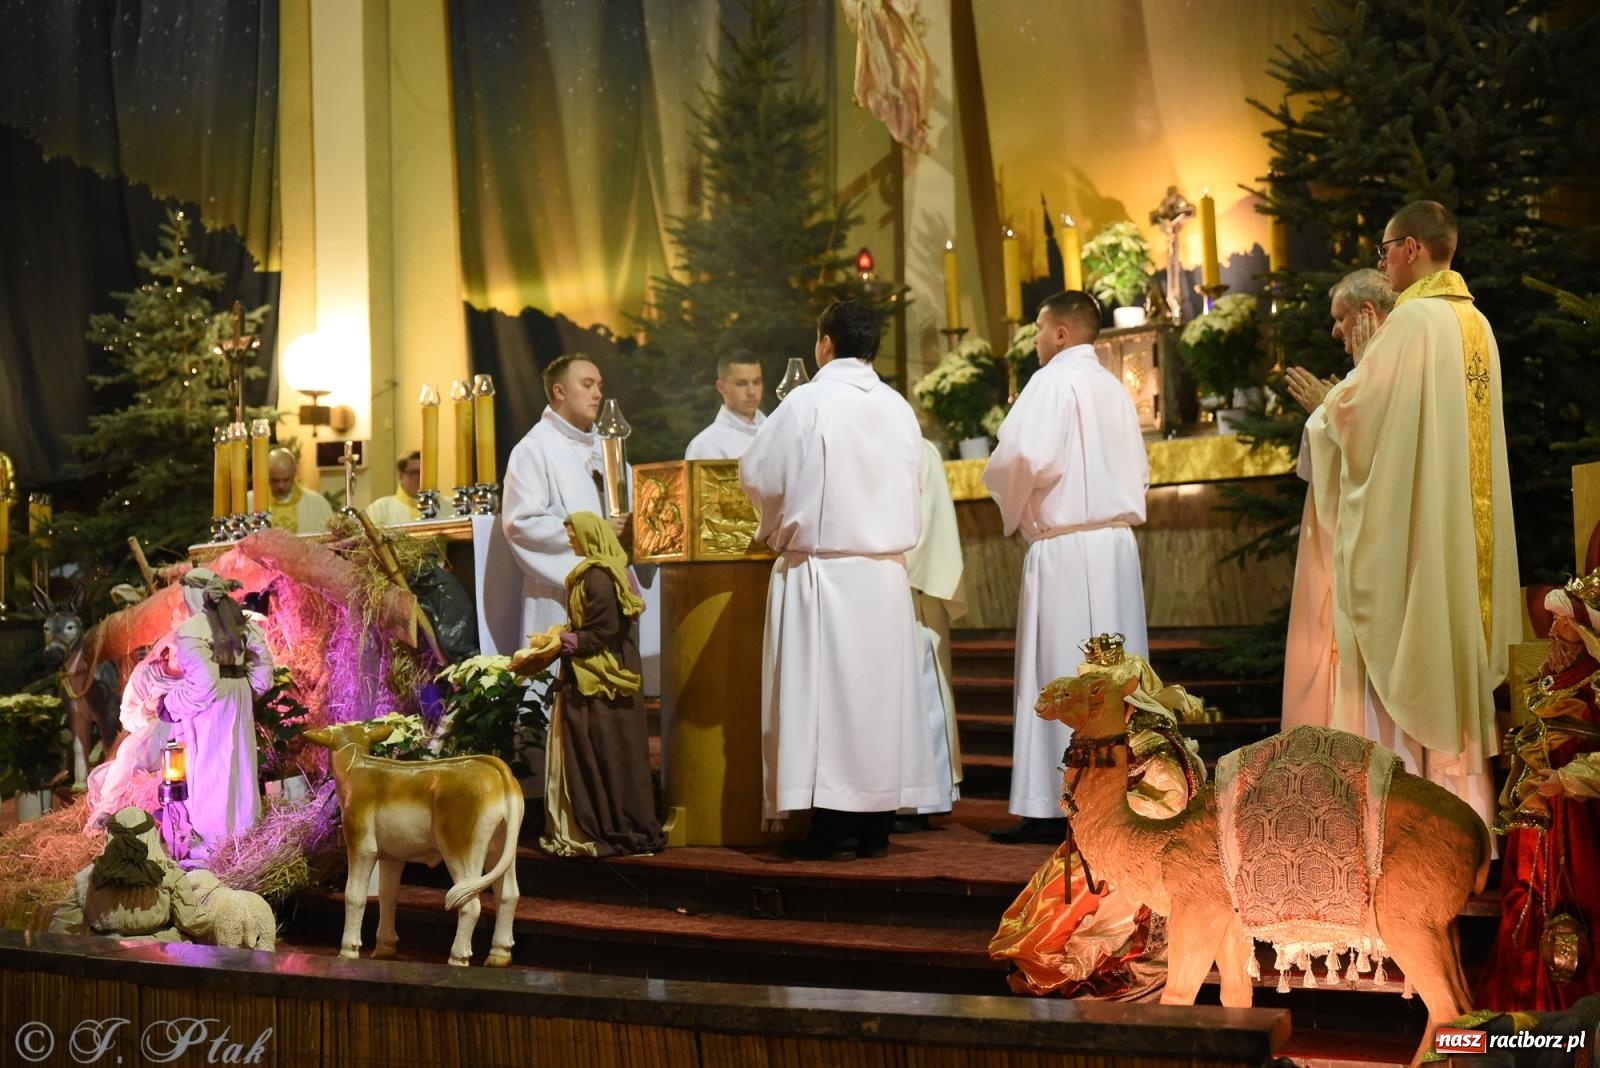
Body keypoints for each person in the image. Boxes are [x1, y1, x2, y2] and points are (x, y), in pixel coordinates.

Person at [1307, 200, 1519, 832]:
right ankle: (1470, 823)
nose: (1383, 262)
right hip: (1460, 533)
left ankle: (1414, 836)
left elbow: (1366, 421)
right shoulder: (1477, 326)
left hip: (1427, 538)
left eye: (1384, 250)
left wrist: (1329, 404)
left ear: (1410, 249)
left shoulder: (1410, 323)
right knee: (1455, 654)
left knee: (1414, 645)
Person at [739, 300, 943, 860]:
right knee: (876, 705)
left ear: (825, 343)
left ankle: (830, 831)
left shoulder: (808, 402)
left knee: (826, 703)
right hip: (883, 577)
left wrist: (774, 526)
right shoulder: (900, 408)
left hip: (824, 572)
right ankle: (875, 829)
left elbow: (758, 473)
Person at [982, 291, 1149, 844]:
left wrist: (1019, 509)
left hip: (1065, 548)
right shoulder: (1113, 388)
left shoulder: (1051, 381)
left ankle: (1052, 805)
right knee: (1115, 677)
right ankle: (1118, 800)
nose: (1032, 340)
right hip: (1114, 551)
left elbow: (1018, 459)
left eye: (1036, 328)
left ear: (1059, 333)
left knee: (1058, 672)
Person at [1280, 269, 1394, 734]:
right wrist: (1337, 405)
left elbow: (1373, 453)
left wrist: (1326, 410)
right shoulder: (1373, 368)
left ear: (1367, 312)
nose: (1335, 331)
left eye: (1341, 318)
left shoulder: (1386, 368)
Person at [1478, 578, 1600, 1011]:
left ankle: (1576, 1006)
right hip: (1539, 813)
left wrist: (1569, 778)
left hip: (1579, 819)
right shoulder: (1554, 675)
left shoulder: (1596, 681)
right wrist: (1524, 742)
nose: (1552, 633)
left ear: (1587, 632)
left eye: (1562, 625)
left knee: (1578, 904)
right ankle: (1528, 994)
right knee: (1529, 899)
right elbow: (1546, 732)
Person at [539, 512, 665, 857]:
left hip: (600, 678)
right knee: (614, 748)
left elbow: (602, 629)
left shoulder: (598, 575)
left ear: (590, 536)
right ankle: (617, 820)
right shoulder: (606, 570)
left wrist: (562, 642)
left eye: (573, 535)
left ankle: (609, 824)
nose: (569, 541)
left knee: (602, 747)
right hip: (606, 673)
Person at [501, 356, 628, 640]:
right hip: (563, 596)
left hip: (614, 589)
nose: (598, 394)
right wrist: (597, 533)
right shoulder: (534, 449)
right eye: (587, 385)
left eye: (599, 386)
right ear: (559, 392)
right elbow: (522, 524)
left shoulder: (605, 446)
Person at [161, 574, 275, 859]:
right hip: (236, 700)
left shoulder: (193, 629)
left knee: (211, 772)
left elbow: (204, 684)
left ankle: (212, 849)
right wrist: (247, 688)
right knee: (241, 767)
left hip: (209, 712)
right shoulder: (240, 622)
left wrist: (172, 703)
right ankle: (244, 843)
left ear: (191, 594)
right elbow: (264, 667)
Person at [898, 437, 966, 830]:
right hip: (871, 584)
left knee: (924, 687)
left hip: (911, 586)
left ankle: (929, 796)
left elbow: (928, 524)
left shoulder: (918, 449)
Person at [684, 350, 766, 460]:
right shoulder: (705, 446)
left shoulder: (779, 433)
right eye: (741, 384)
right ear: (721, 387)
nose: (751, 392)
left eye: (756, 382)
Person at [262, 448, 335, 534]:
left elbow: (330, 537)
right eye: (275, 480)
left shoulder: (317, 503)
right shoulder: (251, 501)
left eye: (286, 480)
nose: (280, 486)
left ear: (294, 472)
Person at [366, 451, 422, 526]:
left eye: (425, 472)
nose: (421, 477)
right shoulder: (380, 508)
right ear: (401, 476)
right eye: (415, 473)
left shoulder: (442, 504)